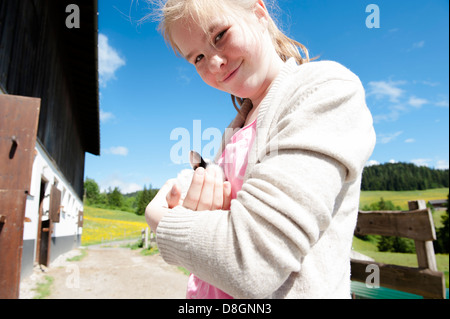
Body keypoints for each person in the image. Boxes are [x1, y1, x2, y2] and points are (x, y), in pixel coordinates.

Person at [145, 0, 376, 299]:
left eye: (220, 36)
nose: (214, 63)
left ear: (259, 13)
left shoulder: (326, 90)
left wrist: (158, 216)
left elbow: (250, 263)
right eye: (198, 57)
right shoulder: (235, 130)